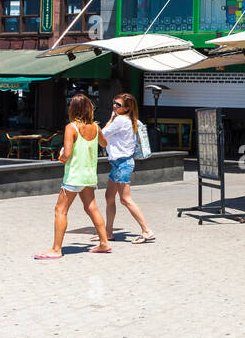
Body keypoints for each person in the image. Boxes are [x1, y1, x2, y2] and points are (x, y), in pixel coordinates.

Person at [35, 94, 110, 260]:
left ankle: (56, 249)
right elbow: (104, 144)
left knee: (60, 210)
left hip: (74, 175)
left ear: (73, 109)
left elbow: (67, 154)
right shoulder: (95, 127)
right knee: (91, 208)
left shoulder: (71, 127)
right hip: (89, 175)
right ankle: (104, 243)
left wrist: (61, 156)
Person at [100, 93, 155, 244]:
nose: (114, 106)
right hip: (120, 164)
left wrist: (110, 119)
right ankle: (108, 232)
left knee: (125, 199)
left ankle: (146, 230)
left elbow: (101, 135)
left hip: (122, 164)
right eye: (114, 102)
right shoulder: (132, 120)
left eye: (118, 104)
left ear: (126, 108)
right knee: (109, 197)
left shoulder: (120, 120)